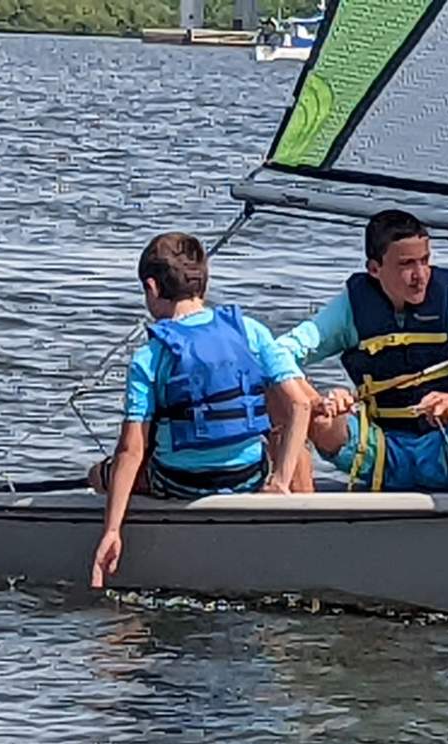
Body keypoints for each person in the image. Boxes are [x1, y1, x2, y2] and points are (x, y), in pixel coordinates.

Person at [89, 232, 314, 588]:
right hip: (248, 478)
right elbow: (302, 404)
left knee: (100, 474)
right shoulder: (250, 330)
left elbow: (131, 450)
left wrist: (112, 530)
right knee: (292, 445)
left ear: (151, 287)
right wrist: (279, 482)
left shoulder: (150, 355)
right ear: (203, 282)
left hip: (179, 484)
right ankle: (300, 530)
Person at [278, 210, 448, 492]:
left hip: (445, 447)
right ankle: (300, 505)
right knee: (305, 407)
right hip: (376, 449)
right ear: (374, 269)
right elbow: (281, 353)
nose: (420, 276)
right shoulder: (350, 309)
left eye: (425, 261)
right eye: (406, 264)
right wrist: (327, 400)